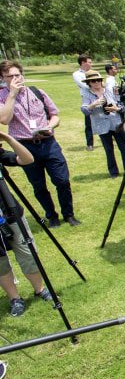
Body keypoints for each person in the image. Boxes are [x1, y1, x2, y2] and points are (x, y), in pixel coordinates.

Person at [0, 60, 81, 228]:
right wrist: (12, 95)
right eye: (11, 76)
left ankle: (69, 214)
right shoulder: (2, 98)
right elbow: (4, 119)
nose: (16, 79)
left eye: (18, 75)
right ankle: (51, 216)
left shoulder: (37, 92)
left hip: (48, 143)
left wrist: (49, 126)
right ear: (2, 78)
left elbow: (55, 115)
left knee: (62, 181)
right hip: (25, 147)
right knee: (38, 185)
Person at [0, 130, 54, 316]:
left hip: (8, 210)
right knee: (0, 261)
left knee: (27, 251)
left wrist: (8, 139)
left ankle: (39, 289)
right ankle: (15, 298)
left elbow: (27, 159)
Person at [80, 70, 125, 179]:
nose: (97, 82)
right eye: (93, 81)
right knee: (108, 149)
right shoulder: (87, 95)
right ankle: (113, 172)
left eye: (98, 80)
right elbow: (84, 110)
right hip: (101, 125)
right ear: (89, 83)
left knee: (123, 146)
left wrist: (116, 108)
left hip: (115, 123)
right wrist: (93, 104)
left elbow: (122, 104)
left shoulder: (109, 91)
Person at [72, 55, 94, 151]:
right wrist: (95, 85)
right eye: (89, 62)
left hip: (98, 96)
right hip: (87, 99)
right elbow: (84, 86)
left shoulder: (94, 73)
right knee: (89, 122)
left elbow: (101, 85)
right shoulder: (77, 74)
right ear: (82, 63)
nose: (91, 64)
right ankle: (90, 144)